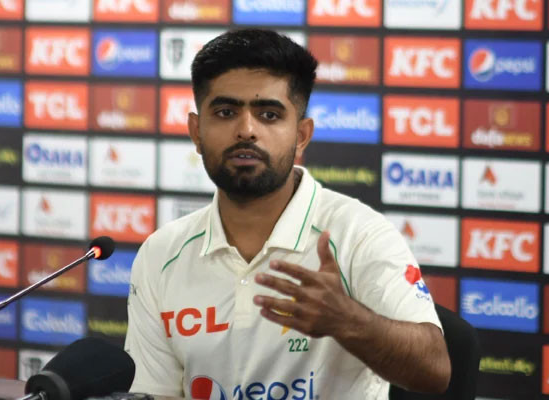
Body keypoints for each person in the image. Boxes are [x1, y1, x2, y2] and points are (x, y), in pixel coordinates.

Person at [124, 29, 451, 400]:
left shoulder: (358, 233)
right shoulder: (161, 255)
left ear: (301, 135)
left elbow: (435, 370)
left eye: (269, 114)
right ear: (196, 132)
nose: (246, 130)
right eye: (226, 112)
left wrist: (349, 320)